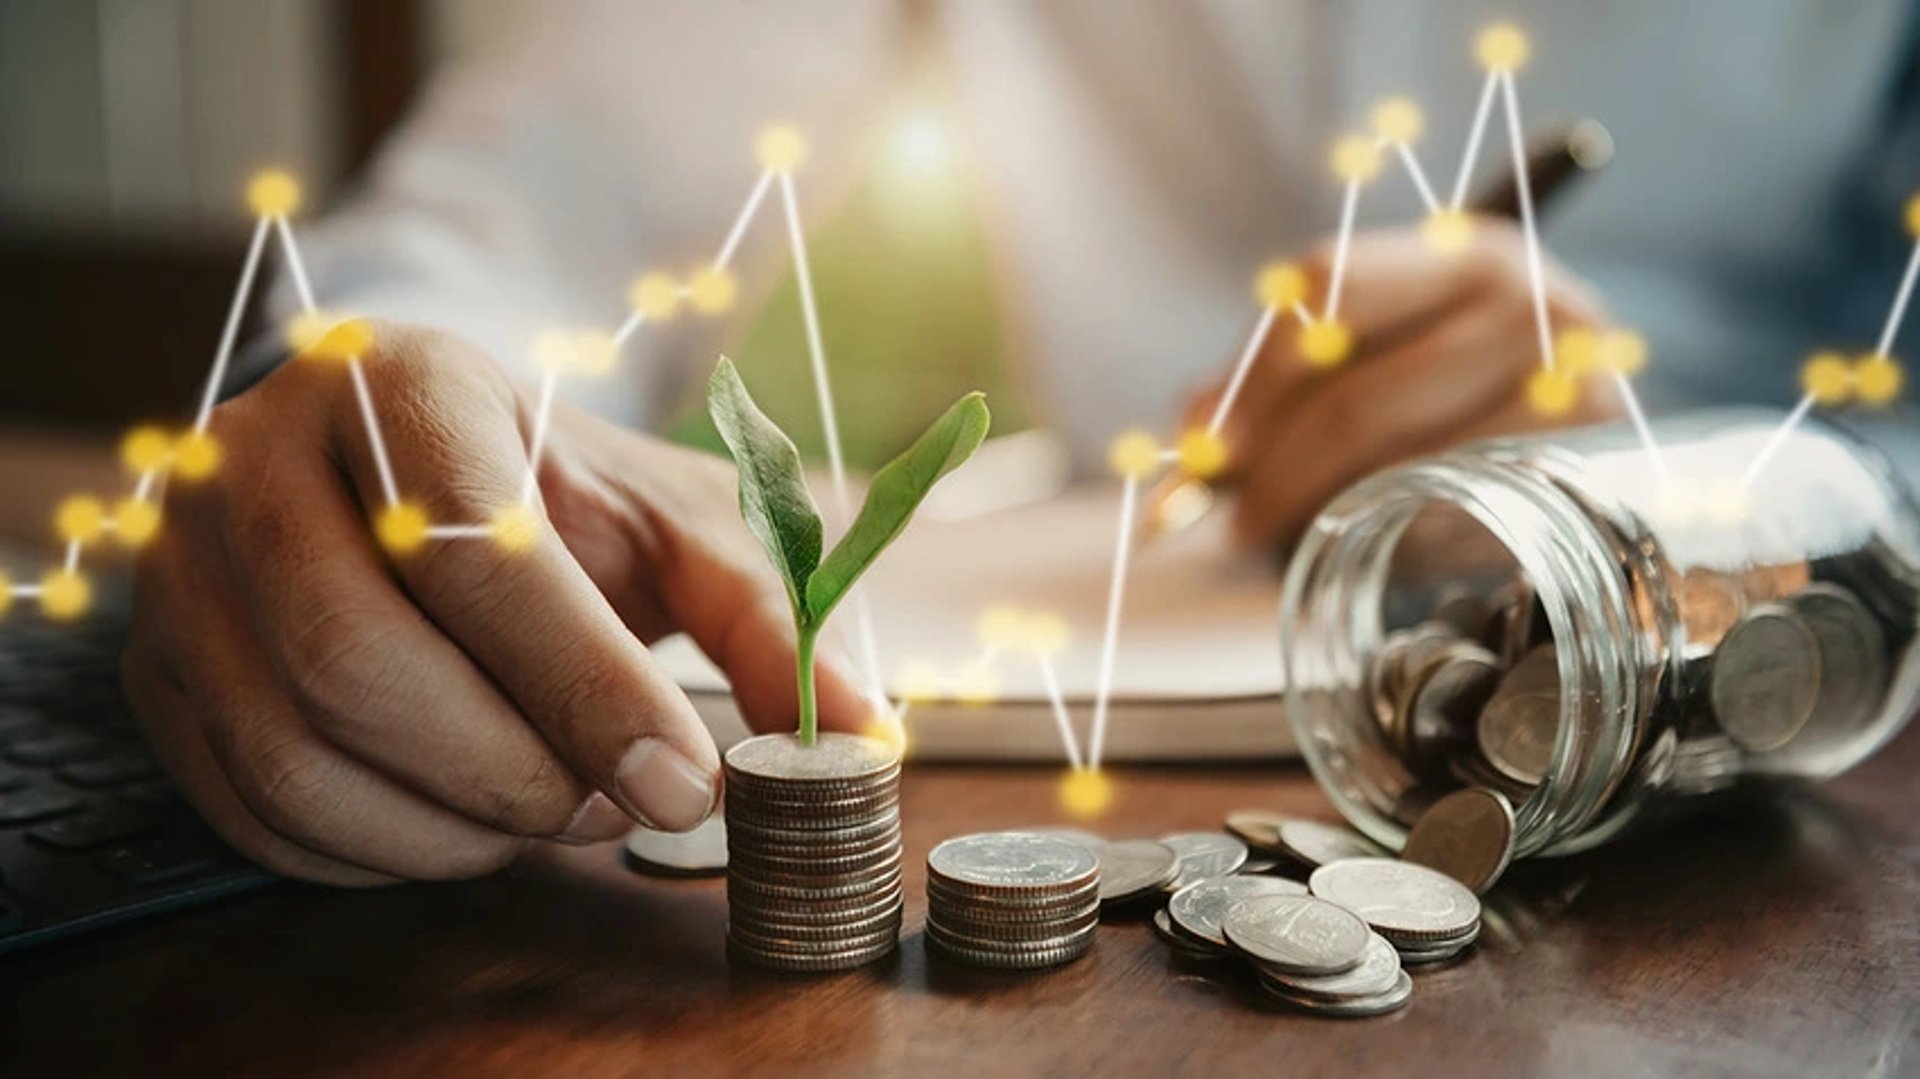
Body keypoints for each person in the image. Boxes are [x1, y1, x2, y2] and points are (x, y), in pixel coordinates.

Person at [123, 0, 1920, 884]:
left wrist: (1696, 492)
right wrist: (376, 386)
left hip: (1775, 721)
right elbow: (535, 187)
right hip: (1106, 670)